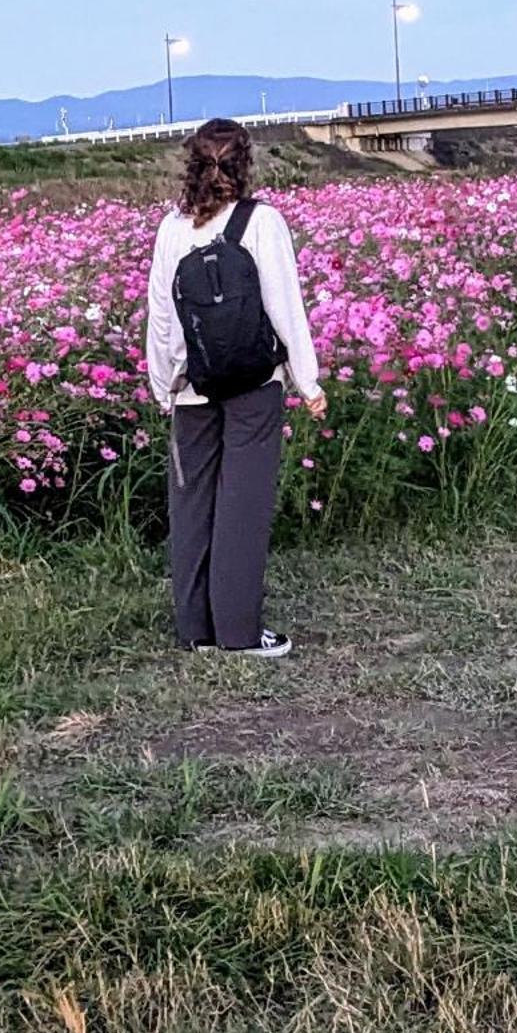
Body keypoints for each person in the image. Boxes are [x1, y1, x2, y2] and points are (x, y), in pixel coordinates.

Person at [146, 118, 324, 656]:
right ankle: (239, 633)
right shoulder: (261, 221)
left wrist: (164, 384)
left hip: (190, 386)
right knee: (242, 504)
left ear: (191, 164)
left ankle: (195, 630)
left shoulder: (172, 228)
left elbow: (161, 315)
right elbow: (283, 305)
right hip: (253, 383)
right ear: (245, 163)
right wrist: (307, 380)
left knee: (192, 504)